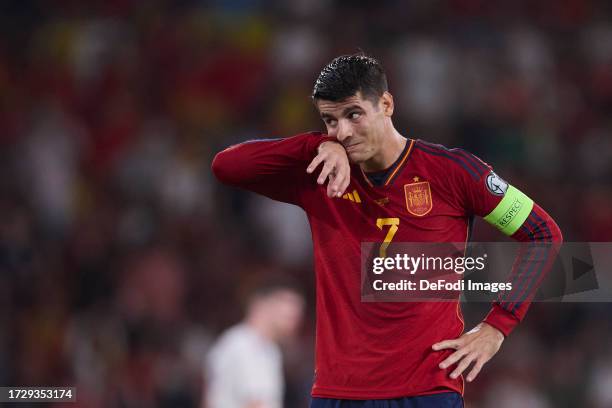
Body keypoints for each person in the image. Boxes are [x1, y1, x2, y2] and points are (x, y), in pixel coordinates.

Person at [211, 54, 562, 407]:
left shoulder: (453, 172)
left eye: (353, 114)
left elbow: (543, 234)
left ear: (386, 104)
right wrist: (318, 144)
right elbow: (226, 166)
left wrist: (497, 326)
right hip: (339, 392)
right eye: (330, 120)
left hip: (425, 391)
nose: (343, 132)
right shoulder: (319, 174)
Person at [204, 278, 305, 408]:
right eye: (288, 316)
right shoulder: (249, 347)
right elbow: (256, 404)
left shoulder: (241, 342)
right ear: (262, 305)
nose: (294, 322)